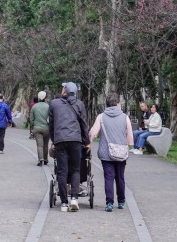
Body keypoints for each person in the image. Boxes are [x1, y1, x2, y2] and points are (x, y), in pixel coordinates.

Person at [49, 81, 89, 212]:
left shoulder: (54, 104)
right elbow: (83, 124)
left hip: (60, 140)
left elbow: (51, 125)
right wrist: (86, 141)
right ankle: (74, 198)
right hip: (75, 140)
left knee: (62, 171)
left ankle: (64, 203)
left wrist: (54, 140)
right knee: (76, 169)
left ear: (64, 91)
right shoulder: (80, 104)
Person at [90, 93, 133, 211]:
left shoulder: (101, 117)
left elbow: (93, 132)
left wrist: (89, 142)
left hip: (106, 153)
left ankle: (109, 202)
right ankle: (121, 201)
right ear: (118, 103)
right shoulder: (125, 117)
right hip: (121, 152)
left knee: (109, 177)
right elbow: (129, 133)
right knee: (120, 177)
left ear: (107, 104)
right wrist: (130, 145)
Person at [29, 90, 51, 166]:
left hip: (37, 128)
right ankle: (45, 159)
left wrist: (32, 126)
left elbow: (31, 119)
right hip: (46, 128)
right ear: (45, 98)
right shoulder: (48, 106)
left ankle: (40, 159)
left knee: (39, 145)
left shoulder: (34, 107)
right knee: (45, 144)